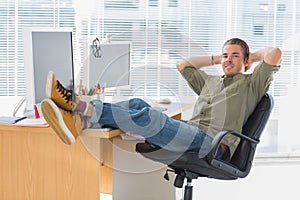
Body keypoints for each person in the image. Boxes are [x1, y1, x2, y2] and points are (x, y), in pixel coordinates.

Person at [41, 38, 281, 161]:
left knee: (151, 117)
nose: (228, 59)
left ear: (246, 61)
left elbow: (274, 54)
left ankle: (80, 107)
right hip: (193, 134)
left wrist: (249, 57)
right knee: (137, 104)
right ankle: (81, 119)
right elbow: (182, 65)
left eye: (235, 56)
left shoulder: (252, 84)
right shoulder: (211, 82)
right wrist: (220, 58)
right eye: (226, 55)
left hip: (213, 145)